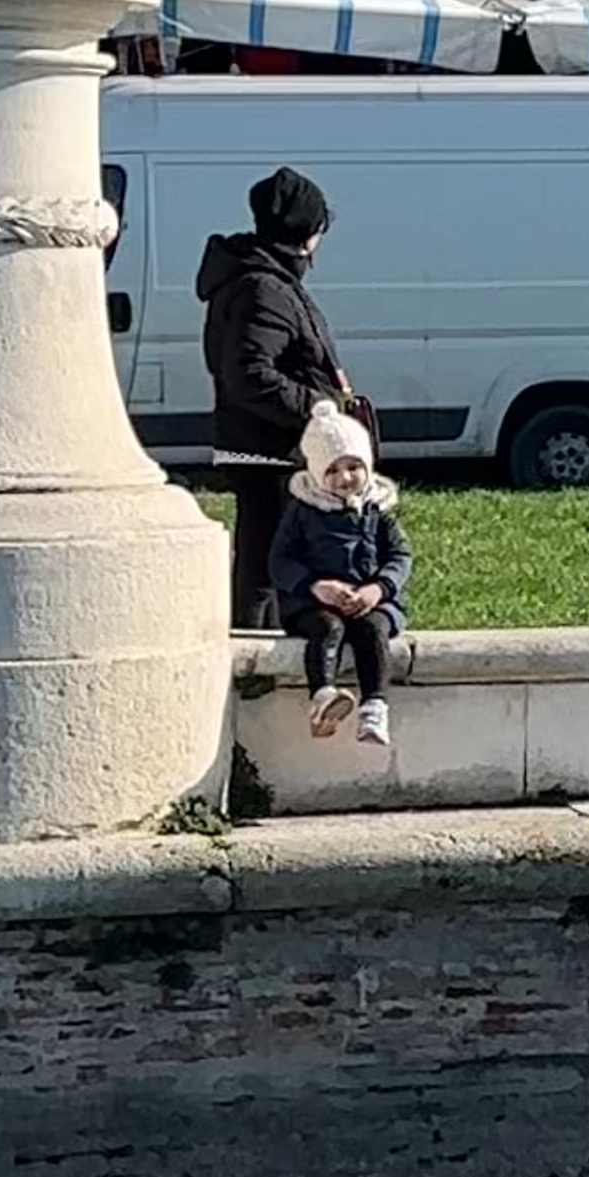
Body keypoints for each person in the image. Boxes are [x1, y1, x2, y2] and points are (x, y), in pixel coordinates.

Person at [197, 164, 356, 625]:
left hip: (266, 447)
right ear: (308, 232)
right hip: (270, 451)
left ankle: (262, 659)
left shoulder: (263, 278)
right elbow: (248, 373)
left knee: (268, 560)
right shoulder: (264, 287)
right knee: (268, 566)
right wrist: (319, 408)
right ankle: (255, 669)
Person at [265, 405, 410, 757]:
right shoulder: (302, 512)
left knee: (372, 630)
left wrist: (378, 589)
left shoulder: (379, 510)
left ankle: (374, 707)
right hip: (313, 602)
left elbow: (400, 556)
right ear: (316, 473)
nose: (345, 478)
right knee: (327, 629)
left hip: (371, 600)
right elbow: (279, 560)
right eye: (333, 470)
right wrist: (314, 586)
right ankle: (323, 697)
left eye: (353, 467)